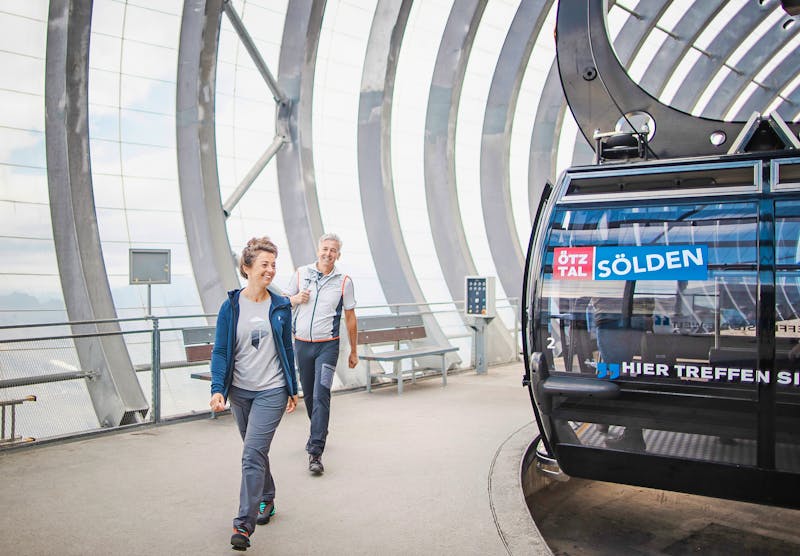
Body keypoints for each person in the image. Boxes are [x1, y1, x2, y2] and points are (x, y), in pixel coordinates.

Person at [209, 237, 299, 551]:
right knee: (255, 452)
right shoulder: (231, 307)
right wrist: (218, 389)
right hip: (240, 392)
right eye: (264, 264)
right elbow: (220, 351)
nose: (271, 270)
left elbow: (286, 348)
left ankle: (243, 526)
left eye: (274, 264)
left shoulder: (281, 305)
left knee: (251, 455)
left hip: (271, 390)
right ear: (247, 268)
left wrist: (292, 388)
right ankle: (268, 498)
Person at [286, 233, 358, 475]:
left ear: (338, 254)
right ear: (318, 250)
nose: (328, 253)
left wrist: (354, 351)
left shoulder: (344, 281)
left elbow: (350, 317)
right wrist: (296, 298)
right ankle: (319, 428)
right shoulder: (300, 273)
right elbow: (284, 302)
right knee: (309, 395)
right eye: (325, 249)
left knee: (321, 395)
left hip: (328, 346)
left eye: (333, 250)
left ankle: (315, 452)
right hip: (302, 345)